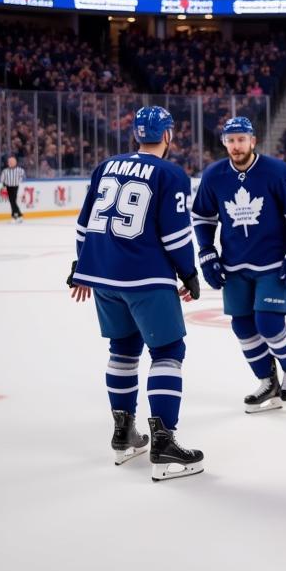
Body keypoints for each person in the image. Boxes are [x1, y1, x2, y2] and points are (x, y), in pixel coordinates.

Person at [68, 106, 203, 481]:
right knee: (168, 351)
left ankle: (124, 434)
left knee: (123, 350)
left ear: (136, 135)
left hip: (104, 277)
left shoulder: (106, 166)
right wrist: (189, 273)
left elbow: (84, 226)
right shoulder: (171, 173)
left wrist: (80, 267)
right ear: (168, 136)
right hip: (146, 277)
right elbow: (176, 233)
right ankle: (163, 442)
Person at [192, 116, 286, 413]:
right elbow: (204, 217)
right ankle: (266, 381)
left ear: (253, 141)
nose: (236, 146)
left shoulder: (275, 171)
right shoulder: (214, 175)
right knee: (242, 326)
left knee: (269, 323)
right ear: (224, 143)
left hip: (273, 263)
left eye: (241, 139)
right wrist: (206, 252)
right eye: (231, 140)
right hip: (233, 265)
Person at [0, 155, 25, 222]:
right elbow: (2, 179)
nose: (10, 163)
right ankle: (17, 216)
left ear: (15, 162)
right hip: (8, 187)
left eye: (12, 162)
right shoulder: (5, 171)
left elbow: (22, 177)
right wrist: (4, 187)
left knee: (13, 201)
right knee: (12, 201)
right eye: (9, 162)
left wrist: (19, 181)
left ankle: (16, 216)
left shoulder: (20, 170)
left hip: (15, 187)